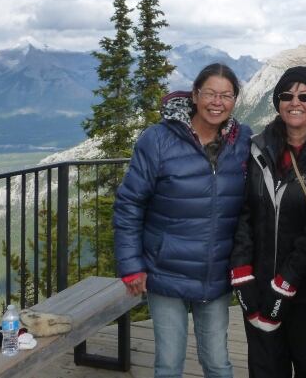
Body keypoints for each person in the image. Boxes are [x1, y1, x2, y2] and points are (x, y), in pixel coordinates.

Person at [113, 63, 252, 378]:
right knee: (169, 363)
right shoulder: (158, 140)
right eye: (210, 94)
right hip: (166, 270)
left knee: (218, 362)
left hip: (216, 271)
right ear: (195, 95)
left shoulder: (242, 140)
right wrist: (131, 265)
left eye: (226, 95)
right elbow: (129, 204)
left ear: (235, 100)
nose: (217, 102)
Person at [230, 66, 306, 378]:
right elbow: (242, 212)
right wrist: (241, 273)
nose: (295, 102)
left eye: (305, 96)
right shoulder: (257, 148)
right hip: (260, 287)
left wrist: (287, 280)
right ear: (276, 102)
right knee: (264, 370)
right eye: (287, 95)